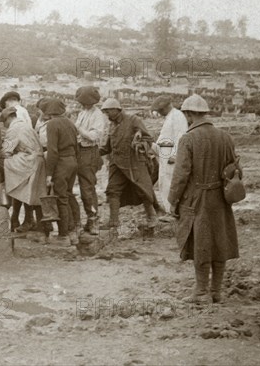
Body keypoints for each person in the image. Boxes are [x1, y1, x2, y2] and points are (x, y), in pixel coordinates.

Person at [168, 94, 239, 305]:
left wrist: (173, 200)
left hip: (196, 200)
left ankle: (201, 292)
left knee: (200, 243)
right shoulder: (225, 136)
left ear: (189, 115)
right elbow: (234, 168)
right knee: (220, 243)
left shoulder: (188, 139)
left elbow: (181, 174)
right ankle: (216, 291)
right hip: (220, 199)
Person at [100, 98, 158, 235]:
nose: (107, 114)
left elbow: (148, 139)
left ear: (117, 110)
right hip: (117, 164)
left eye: (109, 111)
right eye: (105, 112)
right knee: (112, 191)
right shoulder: (111, 125)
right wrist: (94, 152)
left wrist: (139, 143)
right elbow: (108, 146)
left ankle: (152, 219)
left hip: (134, 163)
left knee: (143, 191)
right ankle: (113, 223)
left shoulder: (133, 120)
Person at [0, 107, 47, 235]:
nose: (5, 125)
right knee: (29, 192)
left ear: (9, 118)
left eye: (4, 122)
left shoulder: (14, 129)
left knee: (6, 163)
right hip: (37, 160)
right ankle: (27, 219)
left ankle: (26, 219)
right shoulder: (26, 126)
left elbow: (6, 151)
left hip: (29, 161)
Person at [42, 98, 80, 246]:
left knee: (61, 199)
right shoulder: (70, 122)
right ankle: (72, 233)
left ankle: (64, 236)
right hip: (72, 162)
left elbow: (52, 151)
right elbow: (76, 146)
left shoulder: (52, 124)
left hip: (61, 164)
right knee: (68, 195)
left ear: (49, 112)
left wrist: (49, 173)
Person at [74, 86, 107, 235]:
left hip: (89, 152)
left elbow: (94, 136)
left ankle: (93, 219)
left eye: (83, 102)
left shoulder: (97, 115)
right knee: (82, 187)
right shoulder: (83, 113)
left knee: (87, 187)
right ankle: (88, 219)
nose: (81, 104)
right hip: (80, 151)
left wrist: (77, 129)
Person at [150, 95, 188, 215]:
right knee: (164, 183)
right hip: (165, 155)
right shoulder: (169, 117)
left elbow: (180, 137)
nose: (160, 113)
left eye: (160, 111)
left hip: (171, 157)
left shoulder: (177, 117)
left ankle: (173, 211)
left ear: (166, 107)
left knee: (170, 184)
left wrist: (176, 155)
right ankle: (169, 210)